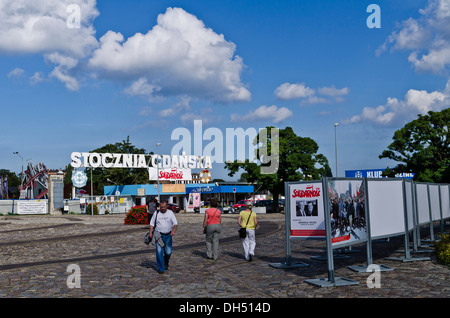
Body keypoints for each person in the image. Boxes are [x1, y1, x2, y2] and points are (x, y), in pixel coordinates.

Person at [149, 200, 178, 274]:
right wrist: (150, 232)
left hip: (168, 235)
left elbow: (175, 223)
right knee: (159, 252)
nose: (163, 208)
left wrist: (173, 230)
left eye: (164, 207)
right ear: (159, 207)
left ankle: (166, 262)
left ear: (167, 206)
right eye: (161, 207)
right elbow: (152, 223)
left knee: (168, 252)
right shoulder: (156, 213)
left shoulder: (170, 213)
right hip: (159, 235)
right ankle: (161, 268)